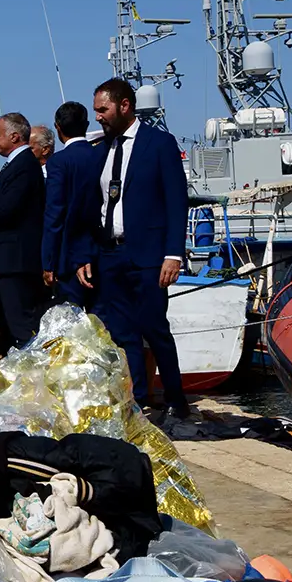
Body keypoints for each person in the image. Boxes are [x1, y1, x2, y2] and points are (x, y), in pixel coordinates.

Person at [76, 77, 190, 417]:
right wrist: (84, 253)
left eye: (103, 109)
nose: (97, 116)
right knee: (123, 333)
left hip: (149, 255)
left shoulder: (159, 144)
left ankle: (175, 400)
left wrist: (173, 253)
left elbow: (176, 201)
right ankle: (139, 400)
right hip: (109, 254)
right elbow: (89, 207)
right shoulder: (101, 150)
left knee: (155, 329)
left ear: (124, 105)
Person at [0, 111, 49, 350]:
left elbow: (8, 209)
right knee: (14, 325)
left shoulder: (23, 165)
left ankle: (34, 379)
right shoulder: (15, 165)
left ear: (14, 136)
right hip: (10, 261)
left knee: (22, 326)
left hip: (16, 261)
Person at [42, 99, 100, 308]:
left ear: (58, 128)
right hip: (101, 252)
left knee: (73, 325)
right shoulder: (101, 155)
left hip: (68, 257)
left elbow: (54, 214)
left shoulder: (58, 162)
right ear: (85, 126)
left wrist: (49, 262)